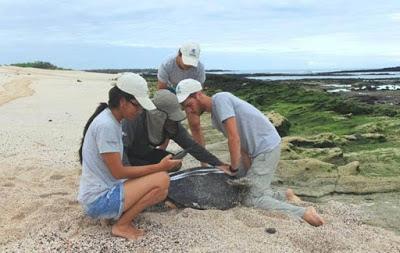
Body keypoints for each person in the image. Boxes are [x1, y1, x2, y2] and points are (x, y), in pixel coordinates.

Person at [175, 78, 325, 227]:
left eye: (189, 105)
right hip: (255, 151)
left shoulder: (220, 100)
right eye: (184, 108)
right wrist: (244, 171)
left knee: (251, 199)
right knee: (241, 187)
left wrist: (233, 168)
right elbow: (243, 146)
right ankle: (285, 196)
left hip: (266, 148)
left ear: (198, 95)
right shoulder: (215, 116)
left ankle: (304, 212)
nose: (189, 110)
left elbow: (234, 138)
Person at [77, 73, 181, 240]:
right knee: (161, 179)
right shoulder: (107, 125)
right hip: (98, 200)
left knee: (161, 191)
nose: (140, 111)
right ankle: (122, 225)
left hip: (103, 190)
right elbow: (118, 172)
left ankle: (116, 216)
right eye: (137, 105)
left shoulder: (111, 119)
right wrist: (159, 167)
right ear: (122, 101)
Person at [122, 89, 228, 171]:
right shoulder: (134, 118)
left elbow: (193, 147)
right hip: (125, 158)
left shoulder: (172, 124)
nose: (173, 121)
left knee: (175, 163)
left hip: (143, 153)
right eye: (170, 118)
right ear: (158, 115)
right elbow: (121, 152)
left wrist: (219, 164)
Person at [157, 42, 206, 158]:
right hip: (171, 92)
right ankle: (160, 155)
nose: (189, 65)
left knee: (195, 125)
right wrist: (171, 109)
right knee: (168, 124)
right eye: (186, 60)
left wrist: (192, 107)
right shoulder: (167, 64)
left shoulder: (199, 67)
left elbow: (199, 91)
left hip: (190, 94)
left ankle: (204, 161)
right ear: (179, 54)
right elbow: (161, 90)